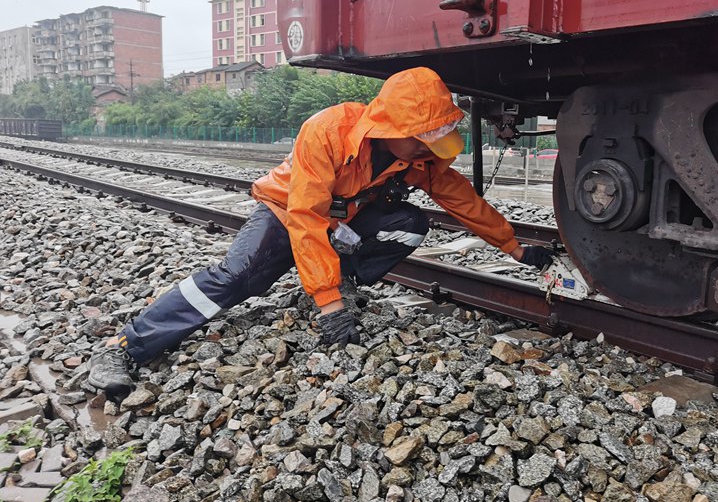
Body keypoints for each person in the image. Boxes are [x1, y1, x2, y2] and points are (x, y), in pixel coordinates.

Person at [87, 67, 556, 396]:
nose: (429, 150)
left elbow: (459, 197)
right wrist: (327, 306)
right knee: (239, 277)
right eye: (423, 137)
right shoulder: (328, 131)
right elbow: (306, 216)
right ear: (390, 126)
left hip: (344, 215)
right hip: (288, 208)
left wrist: (514, 247)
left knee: (408, 224)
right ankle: (127, 345)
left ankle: (343, 281)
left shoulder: (413, 156)